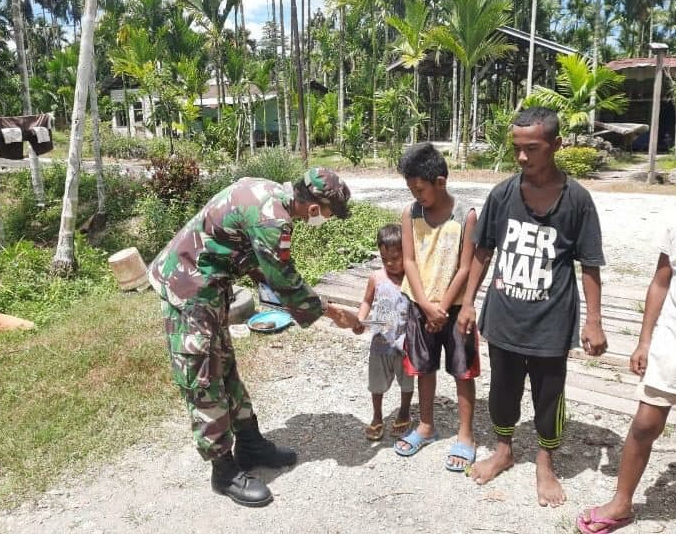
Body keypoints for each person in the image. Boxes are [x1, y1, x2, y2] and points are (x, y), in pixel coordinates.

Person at [147, 167, 360, 508]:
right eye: (331, 213)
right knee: (202, 377)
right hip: (189, 287)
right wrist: (332, 312)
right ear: (316, 206)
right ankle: (223, 470)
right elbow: (284, 279)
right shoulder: (273, 220)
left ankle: (249, 443)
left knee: (226, 367)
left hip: (210, 286)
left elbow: (259, 263)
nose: (329, 220)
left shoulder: (269, 193)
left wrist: (297, 301)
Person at [457, 106, 608, 507]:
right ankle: (504, 450)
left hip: (551, 322)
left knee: (549, 394)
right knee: (503, 392)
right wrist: (468, 301)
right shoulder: (502, 194)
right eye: (517, 148)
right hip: (504, 315)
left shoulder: (577, 200)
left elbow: (590, 264)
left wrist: (594, 321)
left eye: (532, 148)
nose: (522, 157)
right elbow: (483, 251)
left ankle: (545, 461)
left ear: (556, 145)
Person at [577, 144, 676, 533]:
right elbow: (660, 283)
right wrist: (644, 340)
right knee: (645, 423)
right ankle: (621, 502)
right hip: (672, 345)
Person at [393, 142, 479, 472]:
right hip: (420, 306)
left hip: (454, 310)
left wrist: (441, 307)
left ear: (440, 182)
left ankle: (466, 434)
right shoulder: (410, 214)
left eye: (420, 189)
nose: (417, 196)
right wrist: (426, 306)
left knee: (462, 371)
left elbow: (464, 267)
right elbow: (410, 261)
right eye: (411, 190)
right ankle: (426, 425)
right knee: (423, 368)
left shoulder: (465, 215)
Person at [352, 224, 415, 441]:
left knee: (407, 381)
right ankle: (377, 416)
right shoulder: (376, 278)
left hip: (406, 342)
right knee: (377, 382)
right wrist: (360, 319)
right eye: (384, 258)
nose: (390, 263)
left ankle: (404, 411)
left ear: (406, 254)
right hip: (381, 342)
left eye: (395, 258)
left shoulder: (412, 277)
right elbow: (367, 301)